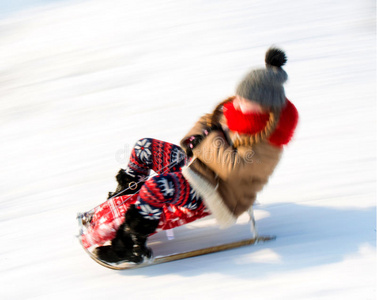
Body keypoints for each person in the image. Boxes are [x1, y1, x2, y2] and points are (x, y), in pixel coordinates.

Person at [93, 47, 299, 264]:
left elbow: (235, 169)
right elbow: (206, 122)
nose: (236, 102)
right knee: (144, 148)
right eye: (239, 95)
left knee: (158, 187)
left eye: (244, 99)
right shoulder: (239, 110)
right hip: (199, 167)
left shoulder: (268, 143)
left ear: (263, 107)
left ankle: (132, 246)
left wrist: (206, 140)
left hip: (217, 193)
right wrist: (199, 139)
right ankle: (126, 200)